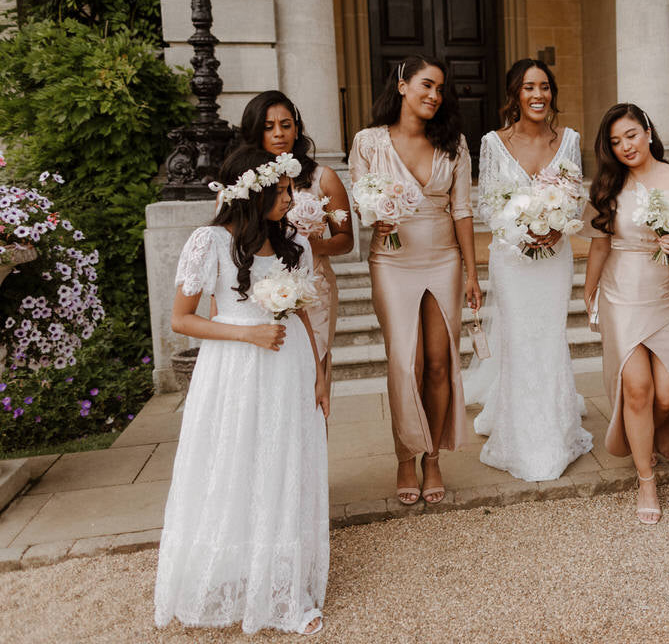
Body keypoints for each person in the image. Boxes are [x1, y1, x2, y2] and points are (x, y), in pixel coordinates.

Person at [155, 146, 329, 635]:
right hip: (234, 369)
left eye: (290, 189)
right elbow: (181, 319)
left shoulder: (294, 241)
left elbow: (300, 312)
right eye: (279, 192)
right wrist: (246, 333)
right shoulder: (208, 242)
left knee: (283, 464)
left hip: (289, 365)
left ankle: (281, 587)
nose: (289, 200)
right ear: (250, 195)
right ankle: (233, 574)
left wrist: (318, 373)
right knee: (236, 463)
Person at [348, 55, 482, 505]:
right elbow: (361, 203)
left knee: (442, 363)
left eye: (441, 89)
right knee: (406, 362)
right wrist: (375, 221)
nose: (434, 95)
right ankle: (405, 454)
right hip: (391, 260)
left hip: (444, 257)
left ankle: (432, 458)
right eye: (427, 85)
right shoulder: (368, 142)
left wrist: (471, 273)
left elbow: (462, 209)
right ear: (402, 84)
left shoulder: (454, 144)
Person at [582, 103, 669, 525]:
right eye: (615, 141)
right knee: (639, 388)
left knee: (665, 394)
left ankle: (652, 436)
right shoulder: (609, 185)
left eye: (630, 135)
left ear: (647, 131)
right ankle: (646, 479)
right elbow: (600, 244)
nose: (625, 146)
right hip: (621, 293)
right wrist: (588, 292)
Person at [463, 58, 592, 481]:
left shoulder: (569, 140)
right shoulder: (492, 142)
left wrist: (557, 227)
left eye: (545, 87)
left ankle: (556, 432)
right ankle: (520, 436)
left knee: (550, 336)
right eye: (529, 87)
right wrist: (522, 232)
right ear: (515, 94)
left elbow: (575, 197)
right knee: (518, 340)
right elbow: (487, 204)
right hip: (513, 258)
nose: (538, 95)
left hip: (555, 257)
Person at [238, 90, 353, 377]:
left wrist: (311, 244)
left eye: (286, 125)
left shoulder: (322, 177)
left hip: (311, 288)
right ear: (256, 132)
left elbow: (346, 240)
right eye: (268, 127)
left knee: (314, 373)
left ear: (297, 129)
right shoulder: (242, 182)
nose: (278, 133)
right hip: (258, 288)